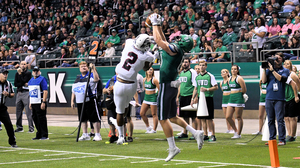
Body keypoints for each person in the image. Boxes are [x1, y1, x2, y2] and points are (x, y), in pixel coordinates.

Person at [149, 13, 204, 162]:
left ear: (182, 43)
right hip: (172, 85)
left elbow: (159, 41)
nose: (176, 39)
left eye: (179, 39)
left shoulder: (176, 50)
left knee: (162, 118)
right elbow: (164, 40)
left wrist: (154, 23)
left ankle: (173, 148)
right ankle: (195, 132)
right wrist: (159, 25)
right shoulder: (176, 50)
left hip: (167, 85)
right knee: (172, 117)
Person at [112, 34, 155, 145]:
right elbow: (146, 67)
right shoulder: (146, 56)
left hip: (120, 82)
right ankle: (123, 131)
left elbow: (133, 40)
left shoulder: (129, 43)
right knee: (125, 109)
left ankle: (121, 136)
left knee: (119, 111)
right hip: (132, 85)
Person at [261, 52, 290, 146]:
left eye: (279, 58)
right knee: (270, 119)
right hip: (269, 97)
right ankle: (272, 139)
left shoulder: (285, 70)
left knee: (280, 119)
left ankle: (282, 139)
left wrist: (273, 70)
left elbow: (281, 79)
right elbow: (264, 81)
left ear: (282, 59)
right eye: (275, 58)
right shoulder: (269, 70)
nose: (277, 60)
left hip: (279, 98)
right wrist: (264, 70)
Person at [71, 62, 102, 141]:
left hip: (90, 100)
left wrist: (93, 69)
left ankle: (97, 134)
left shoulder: (91, 75)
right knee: (82, 119)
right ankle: (85, 134)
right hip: (80, 101)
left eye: (85, 66)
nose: (83, 67)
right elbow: (74, 91)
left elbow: (97, 79)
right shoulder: (78, 78)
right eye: (81, 66)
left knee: (94, 119)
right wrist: (72, 101)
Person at [191, 60, 218, 142]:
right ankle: (205, 134)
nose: (201, 67)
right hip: (200, 99)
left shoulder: (210, 76)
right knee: (202, 117)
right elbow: (195, 88)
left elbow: (216, 87)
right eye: (200, 65)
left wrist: (207, 89)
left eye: (203, 65)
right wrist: (192, 98)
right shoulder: (197, 77)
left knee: (209, 118)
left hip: (208, 97)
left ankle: (212, 134)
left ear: (206, 66)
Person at [176, 58, 198, 139]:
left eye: (186, 62)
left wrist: (194, 98)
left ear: (189, 63)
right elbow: (180, 85)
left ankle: (195, 133)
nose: (184, 64)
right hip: (183, 96)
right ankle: (185, 132)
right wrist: (177, 96)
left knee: (193, 116)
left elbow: (195, 85)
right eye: (183, 62)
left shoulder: (192, 72)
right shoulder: (181, 73)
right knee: (184, 116)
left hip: (189, 95)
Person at [226, 65, 247, 139]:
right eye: (232, 69)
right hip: (231, 98)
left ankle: (238, 134)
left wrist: (240, 95)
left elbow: (244, 89)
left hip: (238, 99)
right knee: (228, 116)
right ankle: (235, 130)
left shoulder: (239, 78)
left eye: (235, 69)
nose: (233, 70)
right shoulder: (229, 79)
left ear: (237, 70)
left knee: (238, 117)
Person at [28, 66, 49, 140]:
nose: (36, 72)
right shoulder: (30, 80)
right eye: (34, 71)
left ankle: (44, 134)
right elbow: (30, 92)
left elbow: (45, 91)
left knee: (41, 118)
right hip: (34, 102)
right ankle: (39, 133)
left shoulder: (42, 79)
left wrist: (43, 102)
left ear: (39, 71)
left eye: (37, 71)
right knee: (35, 118)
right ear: (32, 72)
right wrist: (30, 102)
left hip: (40, 101)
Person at [14, 61, 34, 133]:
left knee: (28, 111)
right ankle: (19, 127)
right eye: (21, 64)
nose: (22, 65)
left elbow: (24, 80)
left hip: (26, 93)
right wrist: (22, 83)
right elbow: (16, 84)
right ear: (19, 65)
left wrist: (20, 74)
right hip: (19, 93)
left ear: (26, 65)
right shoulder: (17, 73)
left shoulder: (28, 73)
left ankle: (31, 128)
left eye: (24, 64)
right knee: (18, 112)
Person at [283, 60, 300, 142]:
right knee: (286, 117)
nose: (286, 65)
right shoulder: (283, 74)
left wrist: (297, 95)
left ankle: (293, 135)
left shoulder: (292, 74)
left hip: (292, 97)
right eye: (285, 64)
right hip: (285, 97)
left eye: (288, 64)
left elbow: (297, 83)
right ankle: (289, 134)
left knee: (292, 117)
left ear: (290, 65)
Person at [0, 68, 17, 147]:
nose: (5, 75)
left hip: (2, 108)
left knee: (9, 125)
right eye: (4, 73)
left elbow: (12, 94)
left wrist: (8, 94)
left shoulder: (8, 84)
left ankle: (12, 142)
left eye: (6, 74)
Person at [140, 67, 159, 133]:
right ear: (146, 71)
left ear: (153, 71)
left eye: (151, 70)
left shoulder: (154, 80)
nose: (149, 71)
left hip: (153, 98)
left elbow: (160, 89)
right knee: (142, 113)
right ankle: (148, 127)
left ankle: (154, 129)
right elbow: (144, 88)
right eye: (148, 69)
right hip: (146, 98)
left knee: (154, 114)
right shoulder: (144, 79)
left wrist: (156, 95)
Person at [220, 69, 234, 133]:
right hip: (224, 99)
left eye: (224, 72)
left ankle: (233, 128)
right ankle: (228, 128)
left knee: (230, 115)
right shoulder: (221, 82)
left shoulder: (229, 81)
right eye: (221, 72)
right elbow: (223, 90)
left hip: (229, 99)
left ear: (227, 73)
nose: (222, 73)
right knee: (226, 115)